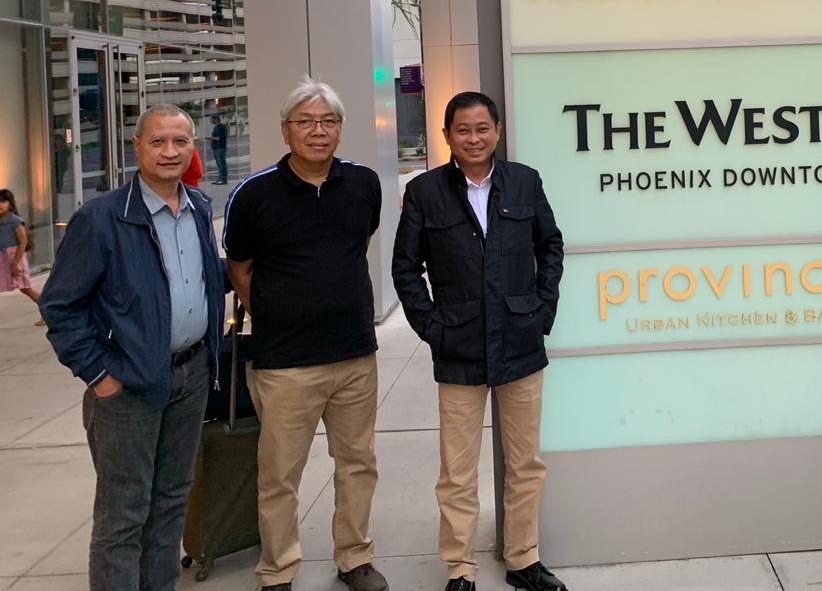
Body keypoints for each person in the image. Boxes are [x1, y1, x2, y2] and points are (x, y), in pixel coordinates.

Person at [40, 105, 225, 591]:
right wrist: (100, 376)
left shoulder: (198, 208)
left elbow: (201, 282)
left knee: (171, 504)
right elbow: (60, 307)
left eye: (180, 141)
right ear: (137, 146)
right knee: (123, 516)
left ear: (193, 148)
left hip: (191, 376)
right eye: (158, 141)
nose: (170, 152)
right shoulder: (101, 219)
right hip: (127, 387)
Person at [392, 91, 567, 591]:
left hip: (520, 342)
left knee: (526, 463)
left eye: (482, 128)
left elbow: (550, 246)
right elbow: (405, 268)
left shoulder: (524, 181)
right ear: (447, 135)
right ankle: (460, 567)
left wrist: (541, 311)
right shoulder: (425, 192)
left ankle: (523, 560)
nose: (474, 138)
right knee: (457, 471)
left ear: (498, 131)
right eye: (463, 130)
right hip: (459, 347)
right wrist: (433, 328)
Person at [224, 78, 387, 591]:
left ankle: (354, 558)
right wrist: (275, 314)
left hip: (355, 355)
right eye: (306, 122)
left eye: (328, 121)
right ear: (285, 130)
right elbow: (239, 268)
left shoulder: (364, 184)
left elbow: (358, 244)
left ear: (340, 129)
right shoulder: (254, 195)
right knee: (280, 475)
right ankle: (278, 569)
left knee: (358, 464)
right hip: (285, 362)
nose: (318, 131)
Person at [0, 188, 43, 321]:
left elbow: (23, 242)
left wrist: (15, 263)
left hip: (15, 257)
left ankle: (49, 311)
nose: (0, 205)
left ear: (10, 204)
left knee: (26, 288)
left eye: (3, 202)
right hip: (2, 258)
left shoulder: (15, 221)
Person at [210, 114, 229, 185]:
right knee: (219, 164)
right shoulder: (215, 127)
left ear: (215, 119)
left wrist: (210, 138)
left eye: (211, 119)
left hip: (220, 147)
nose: (210, 121)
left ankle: (223, 179)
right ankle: (220, 178)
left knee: (222, 164)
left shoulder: (221, 127)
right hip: (215, 148)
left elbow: (219, 138)